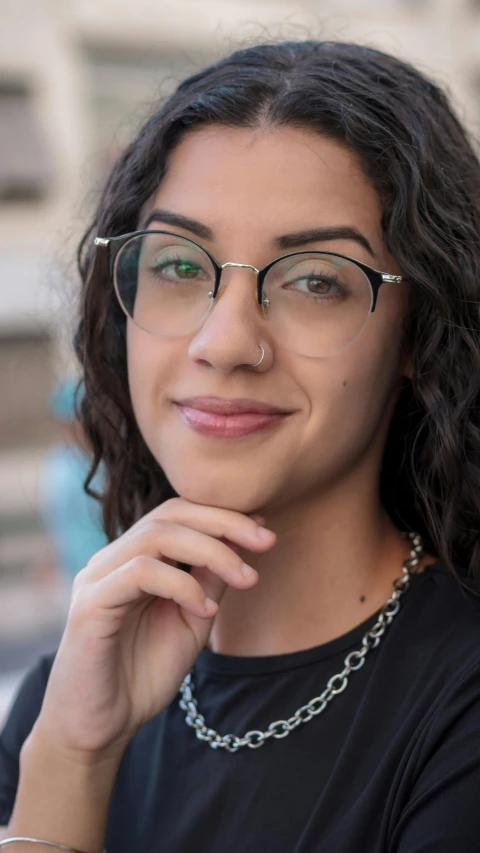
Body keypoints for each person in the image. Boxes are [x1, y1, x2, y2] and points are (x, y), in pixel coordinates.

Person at [0, 39, 479, 853]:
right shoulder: (69, 692)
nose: (224, 341)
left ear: (415, 335)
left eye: (315, 279)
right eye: (181, 264)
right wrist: (71, 759)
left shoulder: (459, 704)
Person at [38, 378, 108, 599]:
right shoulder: (58, 466)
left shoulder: (110, 463)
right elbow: (55, 519)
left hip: (111, 560)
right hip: (76, 567)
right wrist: (50, 558)